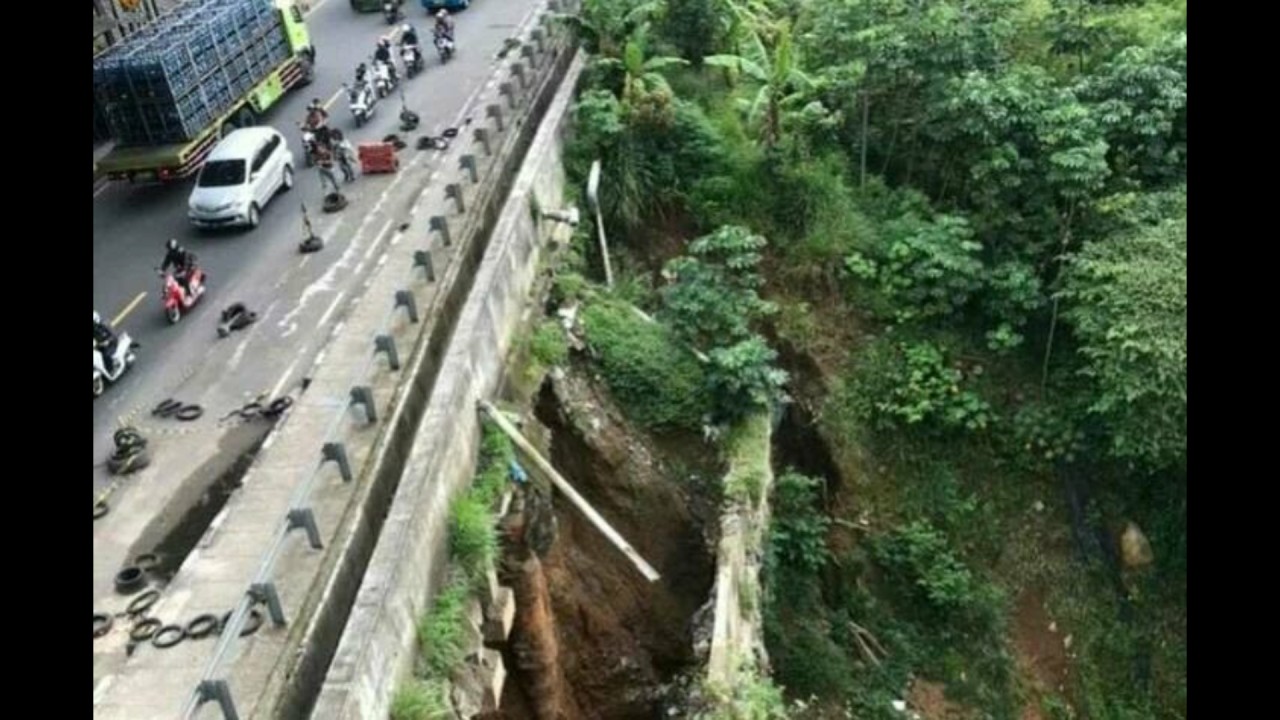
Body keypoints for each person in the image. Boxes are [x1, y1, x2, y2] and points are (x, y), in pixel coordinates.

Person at [93, 311, 119, 375]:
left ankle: (111, 370)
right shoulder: (94, 329)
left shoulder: (105, 324)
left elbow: (114, 335)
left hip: (111, 344)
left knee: (105, 355)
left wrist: (107, 341)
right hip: (100, 346)